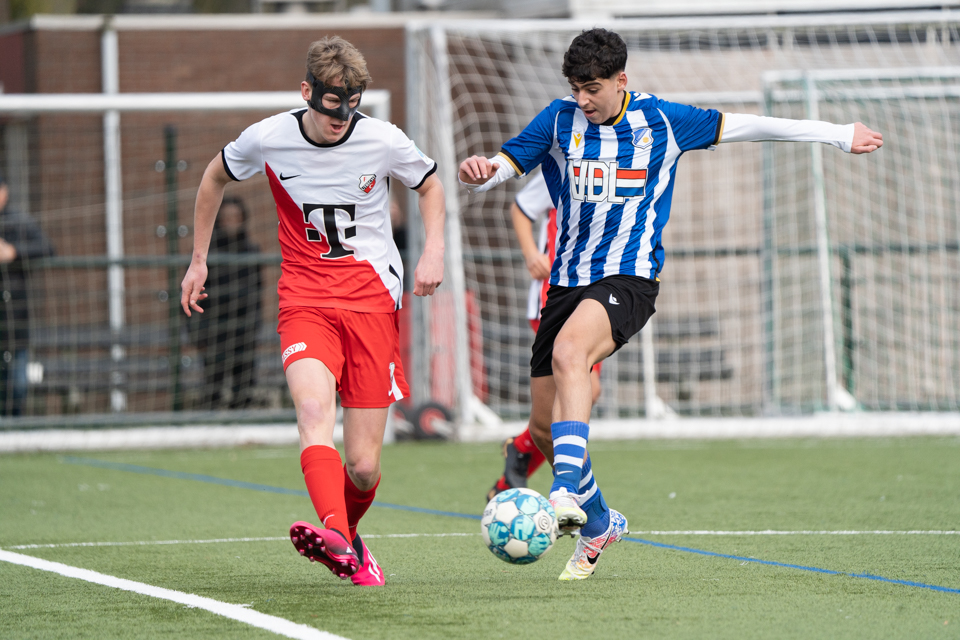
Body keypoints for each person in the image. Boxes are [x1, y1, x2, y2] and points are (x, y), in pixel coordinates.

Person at [459, 28, 882, 581]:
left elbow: (750, 125)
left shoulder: (663, 121)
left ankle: (563, 490)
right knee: (543, 428)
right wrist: (482, 171)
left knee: (569, 355)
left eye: (591, 88)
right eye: (575, 88)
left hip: (629, 279)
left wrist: (836, 134)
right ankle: (600, 521)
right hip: (566, 283)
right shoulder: (560, 119)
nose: (582, 99)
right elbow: (509, 164)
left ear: (620, 81)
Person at [181, 36, 445, 587]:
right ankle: (334, 535)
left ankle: (347, 541)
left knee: (365, 466)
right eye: (331, 105)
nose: (342, 118)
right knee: (310, 411)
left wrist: (433, 249)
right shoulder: (269, 138)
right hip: (305, 300)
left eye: (353, 105)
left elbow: (429, 184)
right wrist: (198, 260)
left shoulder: (381, 139)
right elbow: (213, 177)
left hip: (373, 303)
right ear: (307, 92)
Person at [486, 170, 602, 502]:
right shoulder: (566, 163)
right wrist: (531, 254)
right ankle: (568, 487)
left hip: (595, 293)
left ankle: (521, 452)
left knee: (583, 394)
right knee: (582, 387)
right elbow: (521, 207)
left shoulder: (621, 157)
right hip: (556, 293)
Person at [193, 196, 262, 410]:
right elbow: (194, 292)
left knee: (243, 387)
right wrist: (197, 331)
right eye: (226, 218)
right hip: (214, 331)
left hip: (243, 332)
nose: (231, 222)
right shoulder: (206, 255)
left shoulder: (252, 252)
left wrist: (253, 327)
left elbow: (257, 294)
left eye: (236, 217)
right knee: (213, 386)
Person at [0, 171, 55, 417]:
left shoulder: (18, 221)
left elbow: (47, 248)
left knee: (18, 384)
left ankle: (15, 429)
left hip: (15, 319)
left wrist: (14, 252)